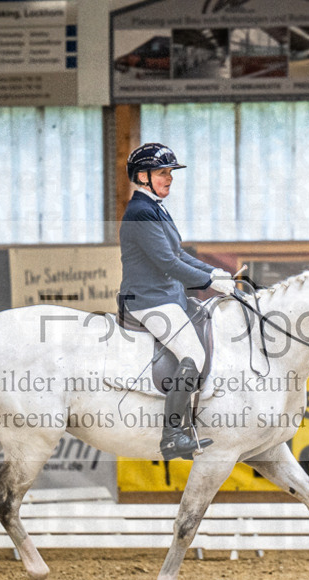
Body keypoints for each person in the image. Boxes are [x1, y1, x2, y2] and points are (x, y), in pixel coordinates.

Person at [118, 142, 234, 458]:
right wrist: (209, 282)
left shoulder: (156, 208)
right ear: (141, 176)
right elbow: (167, 264)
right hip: (147, 299)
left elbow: (178, 254)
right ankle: (171, 435)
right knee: (193, 353)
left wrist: (215, 271)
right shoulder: (141, 212)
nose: (168, 178)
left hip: (167, 296)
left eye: (170, 172)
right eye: (161, 172)